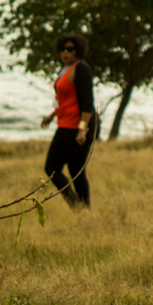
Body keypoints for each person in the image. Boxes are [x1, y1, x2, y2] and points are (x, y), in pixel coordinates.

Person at [41, 34, 98, 209]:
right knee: (76, 171)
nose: (65, 52)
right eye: (62, 49)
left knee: (51, 168)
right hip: (66, 122)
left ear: (77, 50)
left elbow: (87, 102)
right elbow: (66, 98)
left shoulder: (81, 69)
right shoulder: (66, 68)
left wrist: (82, 129)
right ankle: (85, 212)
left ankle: (77, 207)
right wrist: (52, 115)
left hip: (75, 126)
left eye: (70, 49)